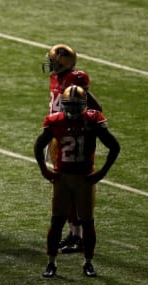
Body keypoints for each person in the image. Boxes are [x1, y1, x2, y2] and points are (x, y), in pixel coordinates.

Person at [34, 85, 120, 277]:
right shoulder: (55, 121)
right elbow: (38, 146)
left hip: (83, 178)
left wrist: (101, 173)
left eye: (76, 105)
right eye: (68, 105)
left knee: (87, 222)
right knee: (57, 222)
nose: (72, 109)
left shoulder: (93, 120)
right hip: (62, 178)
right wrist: (43, 170)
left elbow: (114, 146)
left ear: (84, 105)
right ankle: (51, 262)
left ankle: (88, 262)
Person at [41, 44, 102, 253]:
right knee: (63, 187)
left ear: (62, 61)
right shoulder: (55, 78)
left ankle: (78, 235)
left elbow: (95, 107)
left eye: (53, 59)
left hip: (68, 136)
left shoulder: (75, 79)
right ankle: (73, 233)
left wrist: (79, 128)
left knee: (70, 186)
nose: (50, 63)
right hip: (58, 134)